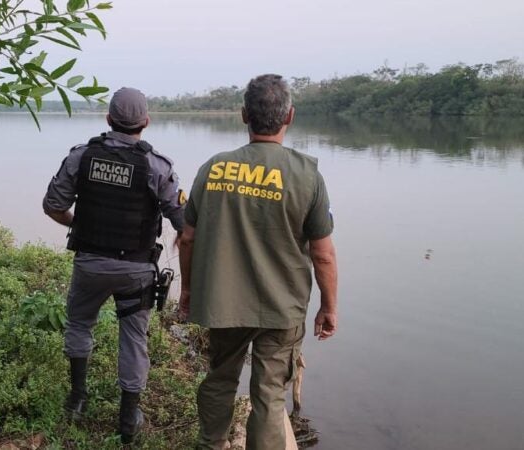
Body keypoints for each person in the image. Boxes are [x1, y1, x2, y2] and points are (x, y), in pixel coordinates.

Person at [178, 74, 339, 450]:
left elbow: (188, 237)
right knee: (268, 392)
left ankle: (211, 444)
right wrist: (329, 307)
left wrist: (188, 288)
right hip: (281, 306)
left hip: (223, 300)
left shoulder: (214, 168)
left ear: (243, 115)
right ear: (290, 117)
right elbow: (323, 253)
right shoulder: (307, 175)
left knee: (220, 377)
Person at [42, 87, 185, 444]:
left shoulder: (81, 157)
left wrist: (79, 225)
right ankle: (127, 419)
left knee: (79, 325)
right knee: (134, 340)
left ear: (108, 119)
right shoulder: (158, 166)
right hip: (136, 270)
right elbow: (183, 221)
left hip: (89, 264)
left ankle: (77, 399)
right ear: (146, 123)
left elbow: (53, 205)